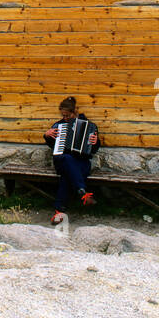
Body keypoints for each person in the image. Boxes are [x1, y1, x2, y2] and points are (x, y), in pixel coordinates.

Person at [43, 96, 100, 224]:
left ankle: (59, 211)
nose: (65, 118)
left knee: (67, 175)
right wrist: (47, 135)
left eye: (68, 115)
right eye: (63, 115)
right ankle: (82, 193)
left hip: (82, 163)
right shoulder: (59, 126)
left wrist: (95, 142)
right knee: (67, 159)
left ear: (75, 112)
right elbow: (54, 146)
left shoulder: (89, 126)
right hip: (63, 161)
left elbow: (93, 149)